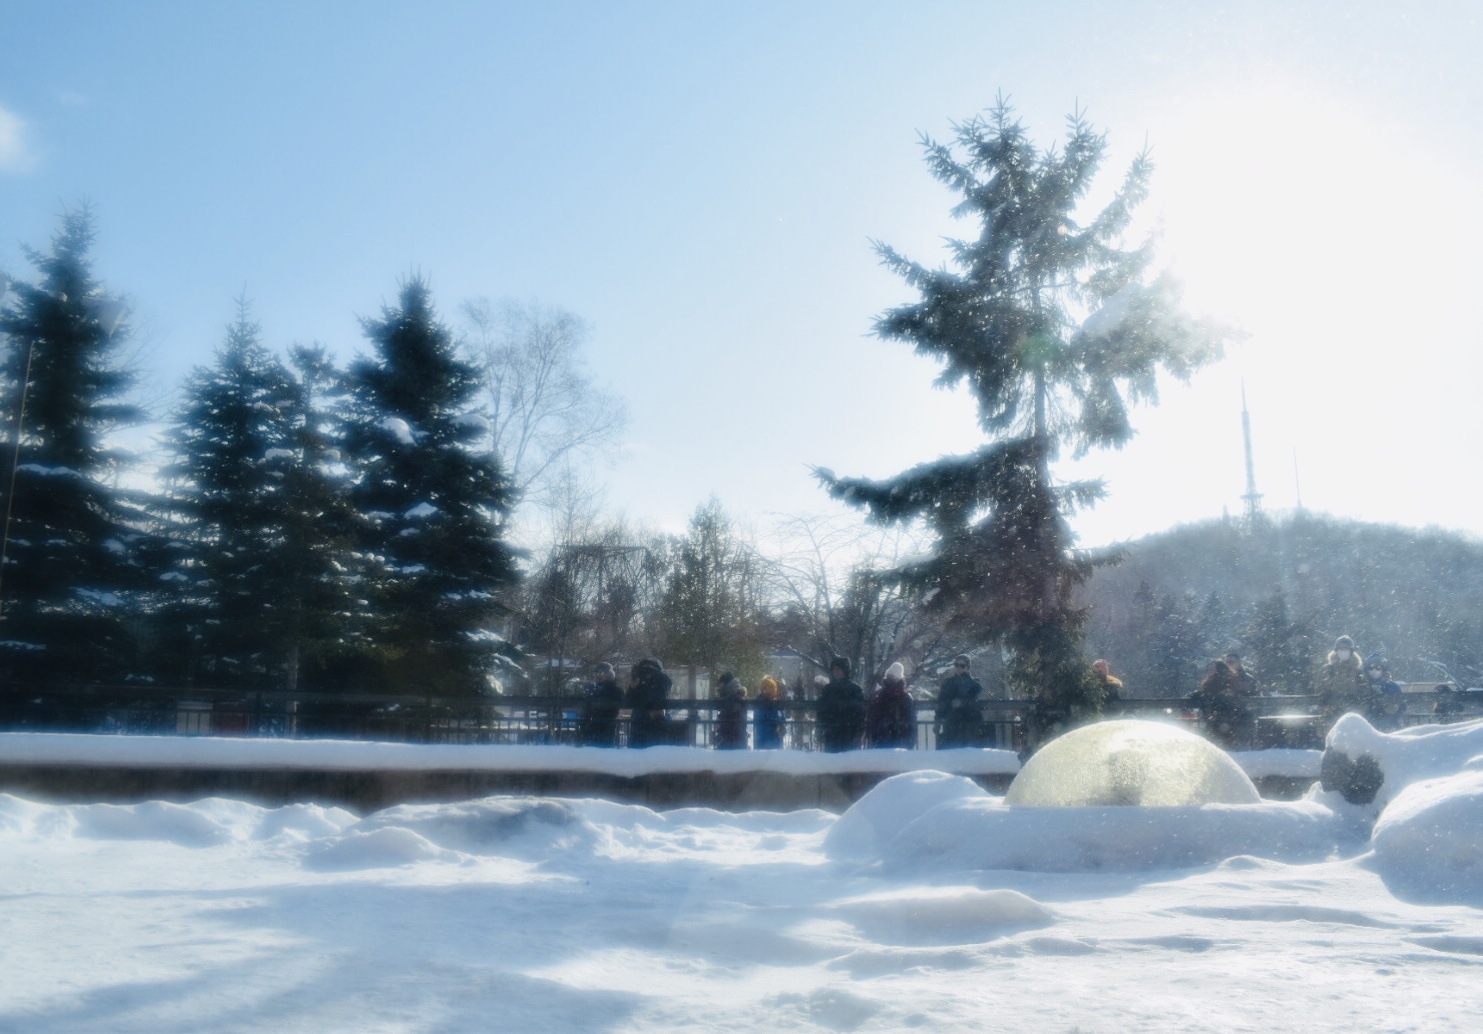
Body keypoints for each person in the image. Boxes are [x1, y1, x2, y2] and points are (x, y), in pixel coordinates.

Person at [1190, 657, 1254, 749]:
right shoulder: (1213, 680)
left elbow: (1213, 695)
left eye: (1212, 668)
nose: (1210, 670)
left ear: (1219, 669)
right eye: (1209, 668)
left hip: (1224, 717)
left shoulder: (1220, 680)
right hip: (1220, 717)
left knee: (1220, 741)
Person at [1316, 635, 1372, 729]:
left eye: (1345, 648)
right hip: (1332, 716)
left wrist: (1356, 710)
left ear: (1351, 651)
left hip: (1353, 716)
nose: (1343, 651)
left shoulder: (1358, 672)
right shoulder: (1328, 670)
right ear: (1336, 650)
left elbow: (1365, 695)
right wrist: (1328, 709)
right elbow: (1321, 692)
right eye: (1340, 648)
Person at [816, 657, 865, 752]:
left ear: (845, 670)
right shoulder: (829, 689)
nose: (835, 672)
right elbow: (821, 708)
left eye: (838, 669)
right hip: (832, 731)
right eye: (833, 669)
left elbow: (860, 712)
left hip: (848, 731)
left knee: (846, 761)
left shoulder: (854, 689)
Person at [935, 654, 985, 748]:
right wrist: (937, 721)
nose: (959, 668)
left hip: (968, 725)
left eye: (962, 666)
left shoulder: (974, 685)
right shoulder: (948, 683)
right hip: (951, 724)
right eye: (956, 665)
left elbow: (973, 705)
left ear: (968, 668)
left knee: (967, 755)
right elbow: (941, 703)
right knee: (951, 753)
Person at [866, 661, 916, 748]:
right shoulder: (881, 694)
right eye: (888, 676)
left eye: (892, 676)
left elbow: (910, 720)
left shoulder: (902, 696)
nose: (889, 679)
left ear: (898, 678)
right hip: (885, 735)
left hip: (895, 735)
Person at [625, 657, 672, 748]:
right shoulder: (638, 684)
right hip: (638, 721)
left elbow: (667, 685)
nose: (645, 672)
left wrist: (655, 674)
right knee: (636, 750)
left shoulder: (660, 681)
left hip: (654, 721)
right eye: (643, 668)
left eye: (648, 668)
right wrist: (632, 687)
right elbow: (627, 702)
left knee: (653, 751)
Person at [578, 662, 623, 746]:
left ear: (609, 675)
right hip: (591, 725)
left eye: (601, 673)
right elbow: (585, 705)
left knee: (605, 749)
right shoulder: (591, 689)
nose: (598, 675)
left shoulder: (615, 690)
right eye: (597, 673)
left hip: (607, 725)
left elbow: (615, 706)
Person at [1362, 654, 1405, 730]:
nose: (1374, 670)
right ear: (1366, 670)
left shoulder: (1392, 686)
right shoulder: (1362, 686)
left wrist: (1385, 699)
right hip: (1366, 725)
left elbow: (1400, 707)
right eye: (1370, 668)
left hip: (1388, 725)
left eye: (1378, 668)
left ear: (1383, 669)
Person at [713, 672, 747, 749]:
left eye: (721, 684)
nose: (719, 687)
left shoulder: (732, 697)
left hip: (731, 738)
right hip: (735, 737)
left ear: (726, 684)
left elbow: (731, 715)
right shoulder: (736, 694)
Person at [753, 675, 786, 749]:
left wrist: (781, 725)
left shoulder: (777, 702)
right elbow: (759, 719)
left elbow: (782, 718)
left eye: (771, 688)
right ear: (762, 689)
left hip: (776, 739)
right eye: (766, 688)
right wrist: (776, 721)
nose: (769, 690)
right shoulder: (759, 702)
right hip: (764, 739)